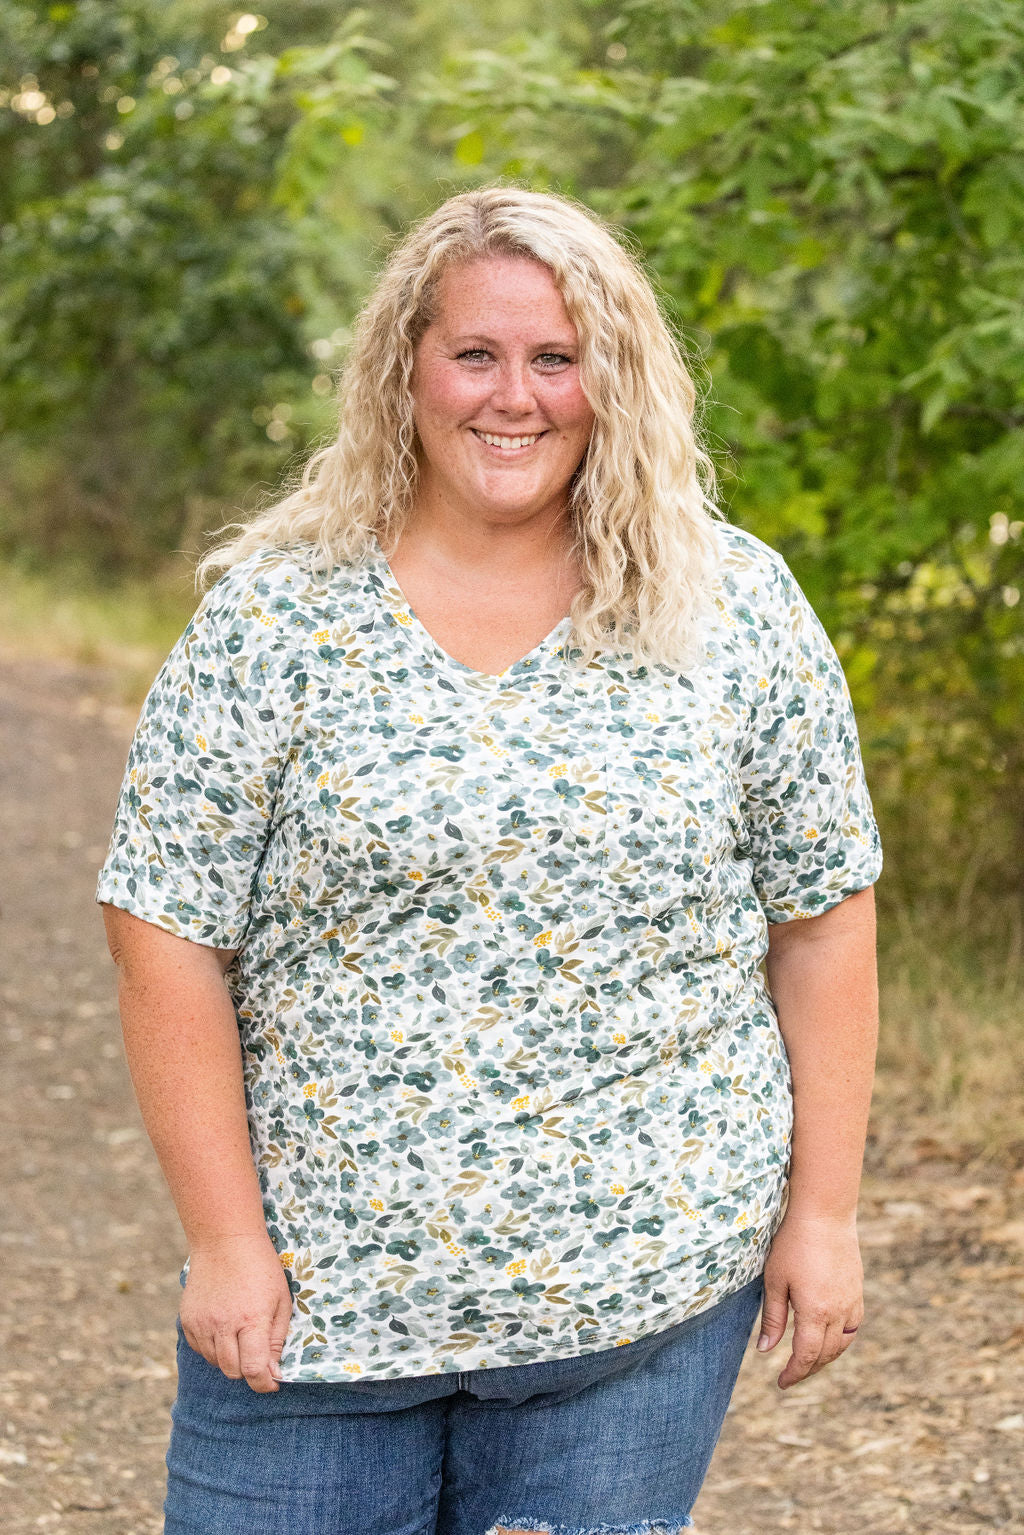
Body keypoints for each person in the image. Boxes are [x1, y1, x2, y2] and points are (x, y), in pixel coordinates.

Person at [97, 185, 882, 1535]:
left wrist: (825, 1215)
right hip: (317, 1312)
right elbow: (165, 925)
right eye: (475, 354)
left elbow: (822, 914)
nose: (513, 397)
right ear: (406, 367)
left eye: (555, 358)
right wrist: (227, 1243)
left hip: (635, 1310)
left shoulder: (732, 605)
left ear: (612, 379)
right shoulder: (278, 617)